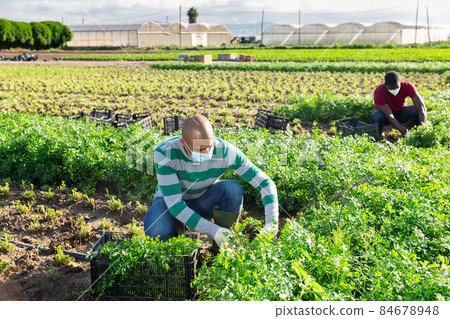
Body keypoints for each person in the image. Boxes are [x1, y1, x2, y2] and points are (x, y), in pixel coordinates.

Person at [144, 114, 278, 246]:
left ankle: (223, 243)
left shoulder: (225, 151)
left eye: (209, 145)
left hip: (204, 200)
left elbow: (265, 183)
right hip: (170, 204)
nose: (207, 151)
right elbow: (175, 206)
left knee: (232, 190)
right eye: (200, 149)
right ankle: (179, 238)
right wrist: (213, 230)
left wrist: (272, 223)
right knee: (157, 230)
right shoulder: (165, 153)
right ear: (183, 143)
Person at [370, 71, 426, 137]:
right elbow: (389, 115)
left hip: (401, 112)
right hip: (385, 116)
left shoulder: (407, 86)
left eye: (396, 87)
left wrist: (422, 127)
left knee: (416, 110)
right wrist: (404, 132)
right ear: (386, 85)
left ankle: (414, 131)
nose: (394, 90)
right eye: (391, 88)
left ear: (400, 82)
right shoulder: (379, 91)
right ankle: (378, 136)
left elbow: (421, 107)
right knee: (376, 116)